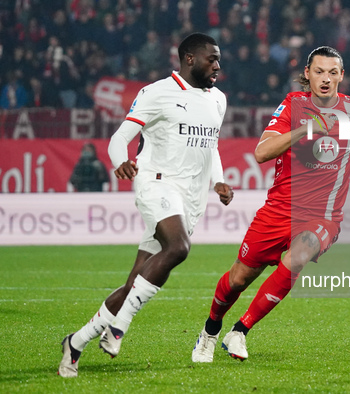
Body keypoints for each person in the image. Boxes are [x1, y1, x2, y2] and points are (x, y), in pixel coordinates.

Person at [191, 46, 350, 363]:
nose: (326, 79)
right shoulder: (293, 105)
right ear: (308, 73)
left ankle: (240, 331)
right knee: (238, 279)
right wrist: (305, 129)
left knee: (299, 255)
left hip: (323, 218)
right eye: (319, 72)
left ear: (342, 76)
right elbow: (262, 153)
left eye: (333, 72)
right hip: (278, 211)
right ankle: (209, 331)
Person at [58, 32, 234, 378]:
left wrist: (218, 180)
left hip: (192, 196)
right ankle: (119, 326)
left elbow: (210, 145)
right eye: (211, 58)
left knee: (135, 282)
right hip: (157, 181)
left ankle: (75, 343)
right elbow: (120, 137)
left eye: (218, 58)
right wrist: (119, 161)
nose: (218, 65)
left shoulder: (218, 100)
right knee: (179, 247)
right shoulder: (156, 92)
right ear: (189, 59)